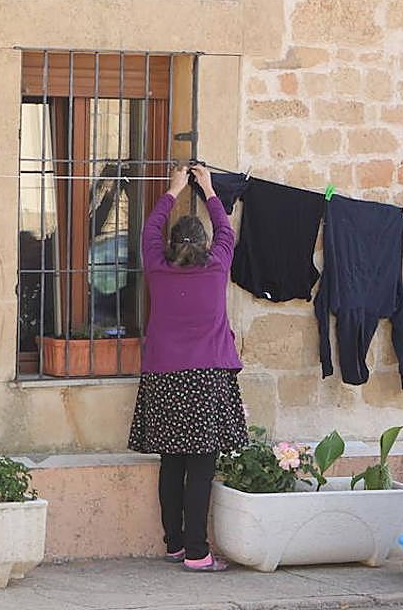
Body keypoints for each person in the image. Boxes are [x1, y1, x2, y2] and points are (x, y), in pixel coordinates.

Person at [128, 163, 248, 572]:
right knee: (200, 467)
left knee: (172, 462)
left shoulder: (157, 269)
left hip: (164, 378)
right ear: (204, 245)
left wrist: (173, 189)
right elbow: (226, 230)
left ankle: (176, 544)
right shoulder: (217, 268)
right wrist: (209, 189)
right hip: (206, 379)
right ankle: (198, 553)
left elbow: (148, 231)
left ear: (171, 244)